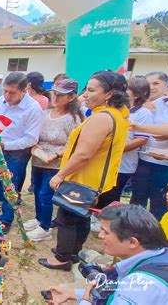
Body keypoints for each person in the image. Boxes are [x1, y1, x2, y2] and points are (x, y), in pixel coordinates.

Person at [39, 71, 130, 271]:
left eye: (91, 90)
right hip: (96, 180)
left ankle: (62, 258)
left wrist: (60, 175)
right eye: (85, 89)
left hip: (83, 179)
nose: (85, 95)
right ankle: (73, 253)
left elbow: (84, 154)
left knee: (67, 218)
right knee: (81, 216)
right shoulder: (117, 115)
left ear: (108, 94)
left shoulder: (102, 119)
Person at [46, 205, 168, 305]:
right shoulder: (162, 255)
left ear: (132, 242)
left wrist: (85, 301)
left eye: (105, 232)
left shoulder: (141, 282)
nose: (100, 236)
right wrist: (74, 293)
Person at [0, 72, 43, 233]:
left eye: (12, 92)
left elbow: (31, 139)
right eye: (5, 91)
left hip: (15, 154)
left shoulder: (33, 109)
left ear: (24, 90)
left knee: (9, 187)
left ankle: (6, 219)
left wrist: (5, 145)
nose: (7, 96)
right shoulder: (1, 101)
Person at [24, 79, 84, 241]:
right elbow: (34, 133)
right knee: (36, 190)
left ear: (71, 98)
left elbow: (74, 144)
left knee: (45, 194)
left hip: (55, 163)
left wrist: (56, 155)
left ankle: (45, 228)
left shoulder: (72, 119)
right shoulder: (45, 114)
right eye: (54, 93)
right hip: (39, 159)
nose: (55, 97)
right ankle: (38, 218)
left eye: (60, 95)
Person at [92, 76, 153, 210]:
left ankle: (105, 216)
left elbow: (141, 139)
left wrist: (116, 148)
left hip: (123, 164)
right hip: (106, 159)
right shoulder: (115, 109)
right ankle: (97, 214)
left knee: (112, 193)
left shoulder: (143, 113)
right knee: (100, 190)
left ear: (137, 94)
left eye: (127, 90)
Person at [131, 71, 168, 221]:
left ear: (166, 85)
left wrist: (145, 129)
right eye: (149, 84)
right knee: (138, 197)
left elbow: (161, 134)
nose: (151, 87)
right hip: (143, 159)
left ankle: (156, 235)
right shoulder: (145, 106)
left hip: (166, 163)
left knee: (159, 201)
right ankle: (134, 228)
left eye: (156, 83)